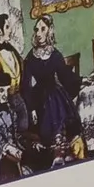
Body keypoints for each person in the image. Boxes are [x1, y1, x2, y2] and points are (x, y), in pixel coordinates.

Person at [18, 15, 83, 168]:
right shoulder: (31, 57)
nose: (39, 33)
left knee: (58, 108)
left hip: (56, 94)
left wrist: (81, 80)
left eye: (43, 29)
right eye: (37, 30)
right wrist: (31, 108)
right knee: (47, 117)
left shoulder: (55, 54)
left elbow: (65, 76)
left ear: (49, 31)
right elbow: (26, 86)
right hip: (39, 99)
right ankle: (56, 152)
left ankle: (64, 150)